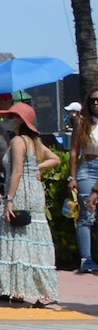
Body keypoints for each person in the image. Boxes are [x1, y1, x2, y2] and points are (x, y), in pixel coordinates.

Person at [0, 101, 63, 308]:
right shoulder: (34, 141)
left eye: (11, 117)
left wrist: (9, 200)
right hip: (35, 193)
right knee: (33, 239)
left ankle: (23, 289)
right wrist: (37, 168)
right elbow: (55, 158)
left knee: (15, 238)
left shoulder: (18, 141)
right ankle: (24, 289)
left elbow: (16, 171)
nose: (7, 120)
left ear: (21, 120)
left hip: (20, 193)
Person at [70, 97, 98, 274]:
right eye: (92, 101)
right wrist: (71, 177)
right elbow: (73, 152)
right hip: (88, 168)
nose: (96, 103)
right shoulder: (82, 124)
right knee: (87, 215)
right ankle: (86, 260)